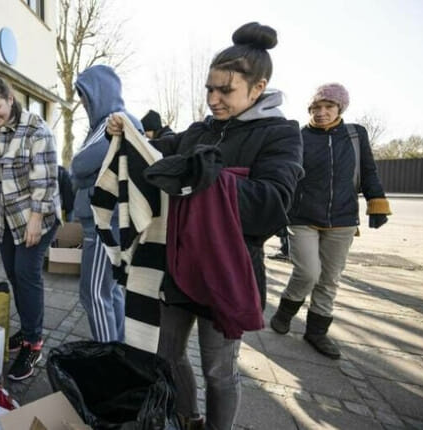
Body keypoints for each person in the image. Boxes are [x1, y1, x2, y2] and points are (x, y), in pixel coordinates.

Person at [108, 22, 303, 430]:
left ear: (258, 87)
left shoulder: (281, 135)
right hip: (177, 266)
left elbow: (274, 204)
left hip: (227, 271)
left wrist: (211, 177)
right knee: (166, 354)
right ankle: (187, 418)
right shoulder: (199, 131)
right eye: (209, 90)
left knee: (219, 370)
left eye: (225, 91)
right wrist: (124, 133)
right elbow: (153, 156)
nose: (213, 99)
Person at [270, 83, 391, 359]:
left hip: (343, 217)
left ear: (340, 108)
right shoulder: (299, 137)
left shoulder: (355, 136)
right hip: (302, 217)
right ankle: (287, 308)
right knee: (308, 272)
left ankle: (317, 331)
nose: (322, 112)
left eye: (328, 107)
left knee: (329, 278)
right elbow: (286, 176)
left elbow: (368, 170)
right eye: (316, 108)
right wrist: (278, 210)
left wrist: (377, 203)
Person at [0, 76, 61, 381]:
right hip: (4, 219)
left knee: (26, 272)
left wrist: (36, 218)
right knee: (12, 275)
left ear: (10, 98)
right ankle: (27, 329)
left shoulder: (36, 130)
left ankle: (33, 342)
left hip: (36, 214)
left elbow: (45, 179)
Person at [70, 64, 142, 342]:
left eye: (85, 95)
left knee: (94, 295)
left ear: (99, 92)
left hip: (104, 223)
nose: (83, 102)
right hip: (109, 221)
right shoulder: (106, 125)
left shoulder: (114, 121)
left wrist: (81, 174)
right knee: (110, 292)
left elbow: (78, 165)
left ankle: (107, 362)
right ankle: (120, 352)